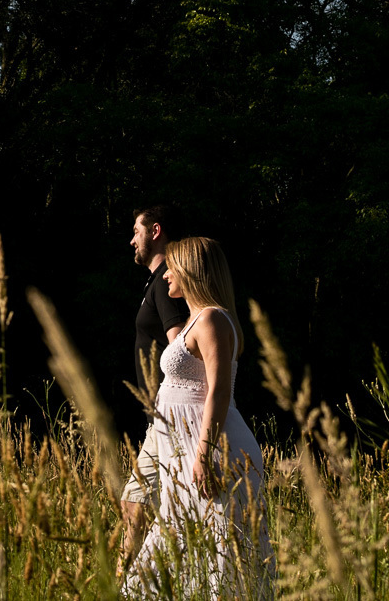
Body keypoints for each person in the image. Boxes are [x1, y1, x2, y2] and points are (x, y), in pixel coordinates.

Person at [124, 237, 273, 598]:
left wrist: (205, 454)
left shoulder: (212, 319)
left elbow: (219, 391)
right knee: (178, 548)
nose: (166, 275)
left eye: (172, 267)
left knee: (221, 555)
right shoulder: (195, 320)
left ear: (191, 270)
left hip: (211, 448)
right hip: (185, 449)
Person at [119, 205, 189, 575]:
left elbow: (181, 347)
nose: (132, 239)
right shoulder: (157, 280)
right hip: (160, 417)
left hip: (168, 418)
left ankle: (124, 584)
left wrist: (174, 409)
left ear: (155, 230)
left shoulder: (166, 281)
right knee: (156, 510)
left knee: (136, 503)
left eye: (136, 231)